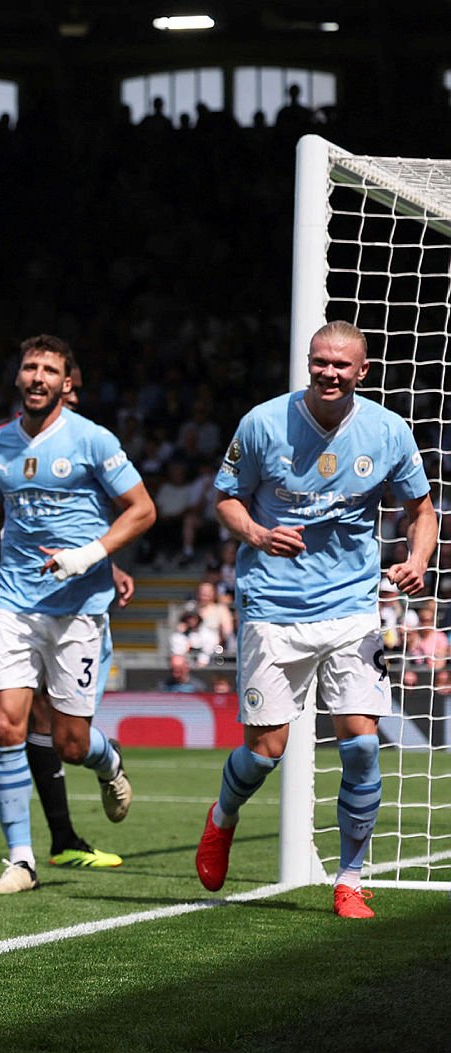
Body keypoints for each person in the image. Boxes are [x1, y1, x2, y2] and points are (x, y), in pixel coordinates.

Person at [196, 321, 434, 919]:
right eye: (320, 362)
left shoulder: (387, 432)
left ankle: (349, 878)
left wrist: (418, 558)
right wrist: (255, 531)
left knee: (361, 746)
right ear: (309, 362)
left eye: (341, 365)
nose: (329, 372)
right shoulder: (262, 424)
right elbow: (225, 496)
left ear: (363, 371)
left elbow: (420, 510)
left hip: (352, 609)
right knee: (264, 754)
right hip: (272, 609)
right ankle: (223, 816)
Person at [0, 334, 156, 894]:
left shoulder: (92, 440)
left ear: (67, 383)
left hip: (80, 608)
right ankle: (20, 859)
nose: (37, 376)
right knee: (7, 726)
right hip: (15, 603)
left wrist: (89, 557)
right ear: (18, 377)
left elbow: (142, 510)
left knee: (68, 743)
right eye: (29, 367)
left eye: (49, 370)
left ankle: (108, 762)